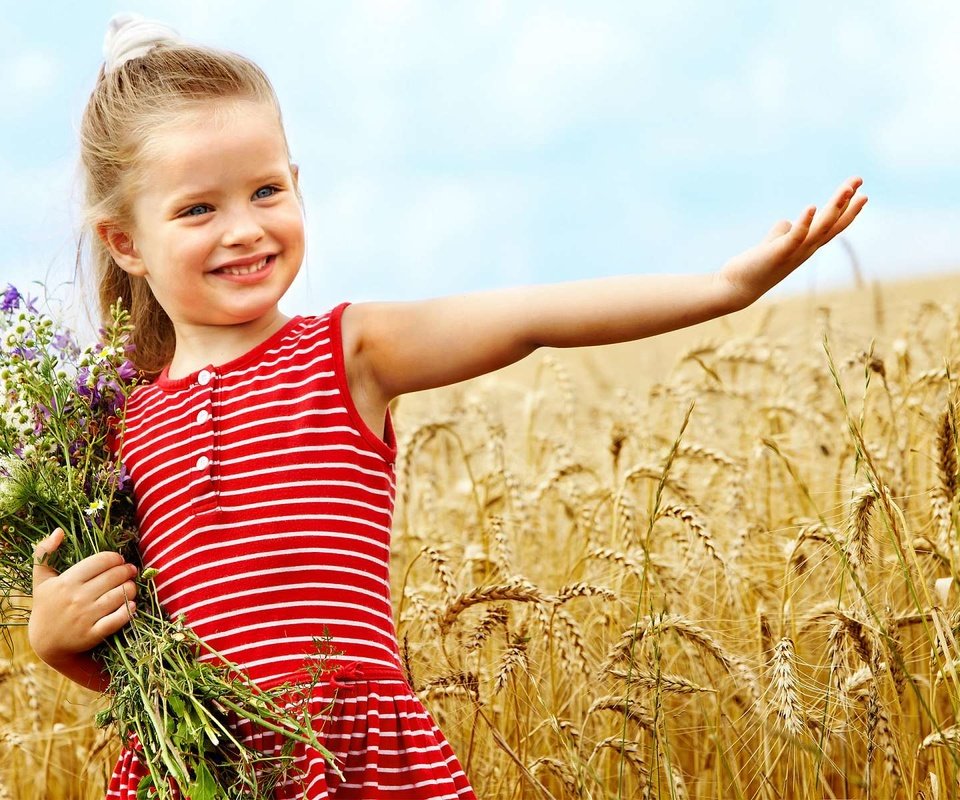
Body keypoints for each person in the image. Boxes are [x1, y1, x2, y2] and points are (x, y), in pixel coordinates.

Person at [26, 12, 866, 800]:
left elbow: (532, 320)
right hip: (202, 765)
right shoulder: (110, 427)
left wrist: (722, 288)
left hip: (354, 757)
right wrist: (56, 642)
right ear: (125, 241)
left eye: (267, 191)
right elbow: (141, 659)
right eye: (199, 209)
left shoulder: (347, 351)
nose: (244, 228)